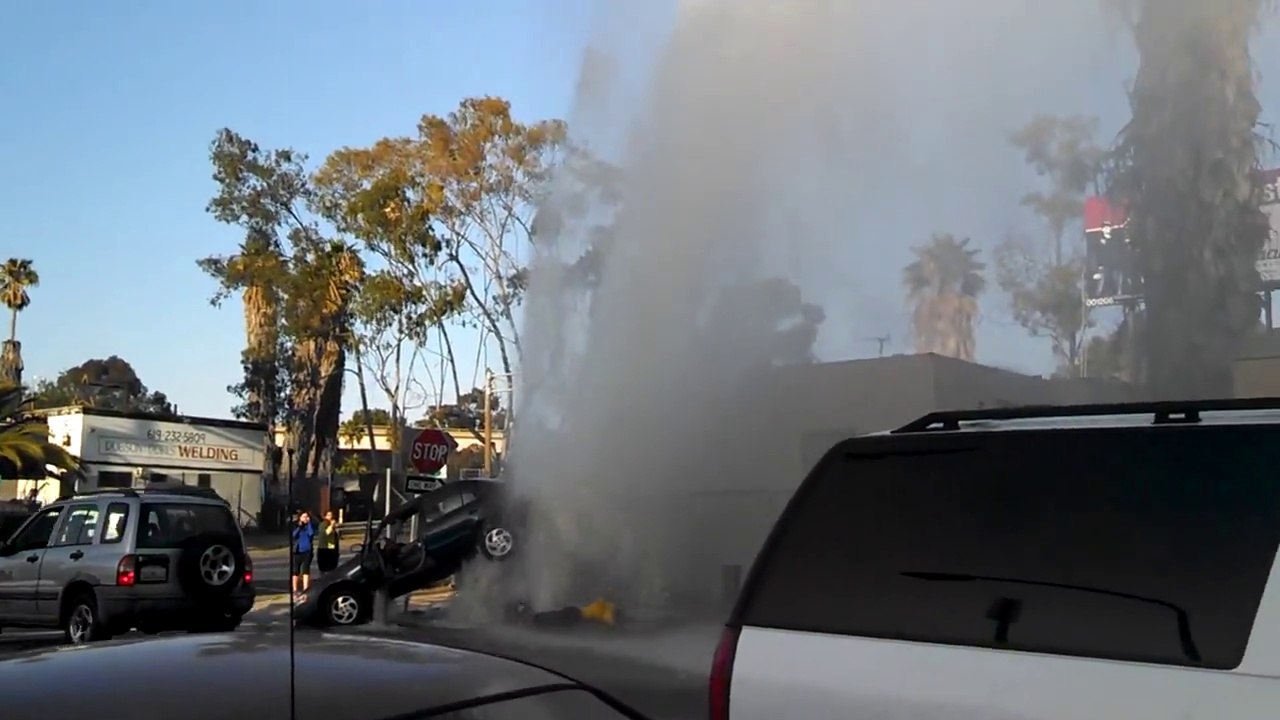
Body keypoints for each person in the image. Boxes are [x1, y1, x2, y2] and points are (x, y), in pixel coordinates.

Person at [291, 510, 316, 599]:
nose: (305, 518)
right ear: (300, 518)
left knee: (306, 570)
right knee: (295, 571)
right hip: (297, 551)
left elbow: (311, 534)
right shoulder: (295, 525)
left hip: (307, 551)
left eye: (306, 517)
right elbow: (293, 535)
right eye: (303, 517)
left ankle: (306, 589)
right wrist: (299, 527)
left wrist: (308, 524)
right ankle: (295, 589)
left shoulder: (309, 526)